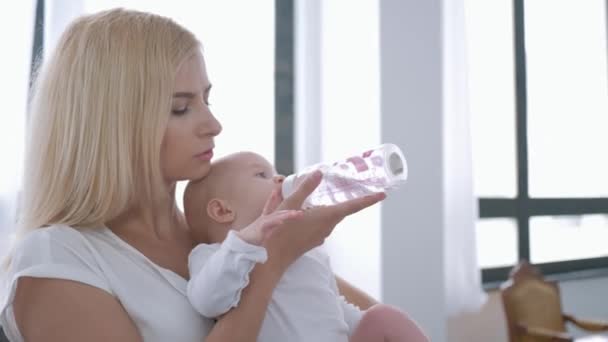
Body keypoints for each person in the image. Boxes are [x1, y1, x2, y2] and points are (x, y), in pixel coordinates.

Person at [0, 8, 389, 342]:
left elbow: (369, 322)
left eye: (207, 99)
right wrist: (271, 261)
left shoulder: (221, 227)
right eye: (181, 108)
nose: (214, 125)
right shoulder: (57, 259)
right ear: (113, 124)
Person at [184, 151, 429, 342]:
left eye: (276, 172)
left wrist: (372, 326)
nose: (279, 179)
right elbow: (209, 301)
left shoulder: (305, 253)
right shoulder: (212, 255)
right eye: (262, 175)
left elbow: (332, 308)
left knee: (384, 316)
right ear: (222, 210)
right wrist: (244, 243)